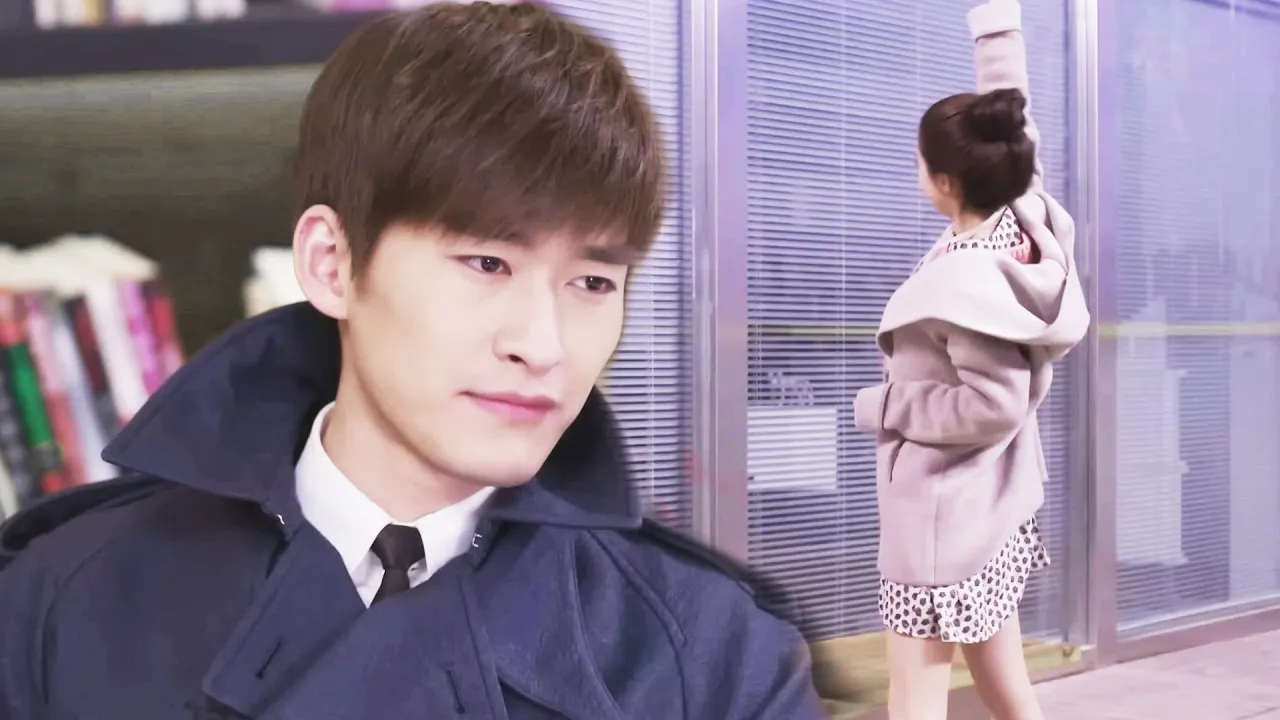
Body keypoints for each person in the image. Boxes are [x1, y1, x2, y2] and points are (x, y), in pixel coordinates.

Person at [0, 4, 827, 719]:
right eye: (487, 263)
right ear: (332, 264)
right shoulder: (56, 604)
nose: (542, 344)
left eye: (592, 282)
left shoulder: (719, 658)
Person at [851, 1, 1089, 719]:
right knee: (1004, 684)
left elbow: (994, 403)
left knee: (915, 695)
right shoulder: (1023, 222)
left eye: (920, 163)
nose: (916, 172)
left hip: (940, 527)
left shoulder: (963, 285)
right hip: (989, 511)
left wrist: (887, 406)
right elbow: (1015, 121)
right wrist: (997, 29)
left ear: (948, 182)